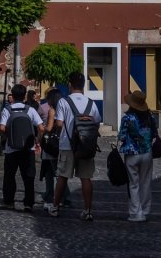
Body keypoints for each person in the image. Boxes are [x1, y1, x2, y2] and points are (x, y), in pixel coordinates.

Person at [49, 71, 101, 220]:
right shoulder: (91, 102)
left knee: (63, 176)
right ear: (84, 85)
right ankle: (88, 210)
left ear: (70, 85)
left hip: (67, 144)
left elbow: (59, 123)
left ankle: (55, 207)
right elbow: (97, 123)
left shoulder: (64, 102)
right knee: (86, 178)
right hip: (85, 146)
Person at [0, 83, 45, 212]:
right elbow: (41, 128)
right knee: (28, 177)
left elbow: (1, 127)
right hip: (27, 148)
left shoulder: (7, 109)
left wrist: (10, 135)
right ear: (24, 96)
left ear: (12, 96)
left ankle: (9, 201)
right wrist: (37, 141)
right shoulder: (30, 110)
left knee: (9, 175)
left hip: (11, 149)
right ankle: (28, 203)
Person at [118, 90, 155, 222]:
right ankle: (144, 211)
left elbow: (121, 136)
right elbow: (154, 134)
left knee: (133, 184)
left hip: (132, 153)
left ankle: (135, 212)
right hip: (147, 152)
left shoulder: (127, 118)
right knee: (145, 182)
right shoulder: (150, 117)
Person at [38, 88, 70, 210]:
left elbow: (50, 127)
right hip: (61, 143)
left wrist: (41, 128)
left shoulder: (52, 110)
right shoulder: (64, 109)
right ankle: (52, 195)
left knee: (55, 171)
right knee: (55, 171)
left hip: (51, 144)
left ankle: (65, 197)